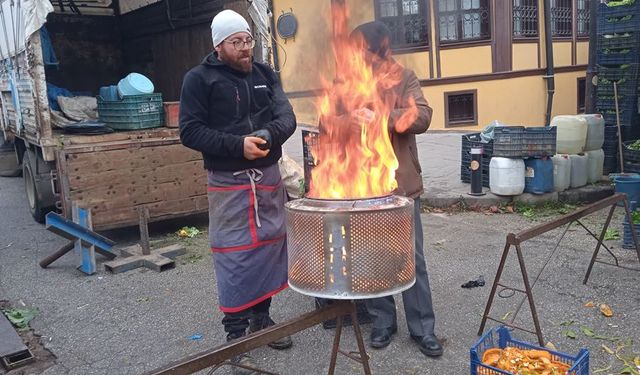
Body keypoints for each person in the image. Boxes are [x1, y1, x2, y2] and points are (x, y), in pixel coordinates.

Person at [178, 9, 297, 374]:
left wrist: (267, 136)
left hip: (267, 179)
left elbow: (286, 118)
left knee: (269, 246)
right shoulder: (199, 80)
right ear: (219, 45)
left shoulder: (265, 74)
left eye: (248, 40)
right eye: (237, 42)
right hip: (229, 184)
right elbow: (190, 132)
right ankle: (235, 337)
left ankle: (262, 321)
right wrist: (237, 146)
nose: (246, 48)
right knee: (234, 254)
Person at [350, 21, 444, 358]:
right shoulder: (348, 81)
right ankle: (382, 321)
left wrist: (381, 117)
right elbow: (329, 122)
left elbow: (423, 117)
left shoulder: (403, 77)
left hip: (400, 185)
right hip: (362, 185)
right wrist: (349, 120)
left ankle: (423, 329)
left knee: (411, 259)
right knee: (372, 257)